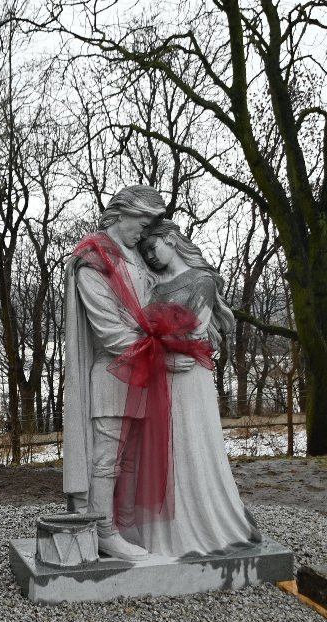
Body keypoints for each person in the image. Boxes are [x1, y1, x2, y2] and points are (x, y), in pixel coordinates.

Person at [130, 218, 262, 556]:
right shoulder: (154, 287)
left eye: (152, 247)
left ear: (172, 239)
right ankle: (163, 530)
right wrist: (160, 349)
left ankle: (206, 521)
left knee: (191, 444)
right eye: (144, 253)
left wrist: (161, 343)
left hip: (190, 376)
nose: (150, 256)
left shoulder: (202, 280)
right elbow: (145, 332)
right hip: (163, 375)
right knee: (163, 450)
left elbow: (193, 331)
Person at [63, 184, 176, 561]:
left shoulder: (138, 259)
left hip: (142, 369)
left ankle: (124, 524)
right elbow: (109, 330)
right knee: (105, 458)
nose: (145, 230)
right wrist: (164, 351)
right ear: (121, 213)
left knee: (130, 458)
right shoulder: (92, 259)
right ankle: (103, 530)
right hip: (113, 371)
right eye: (142, 221)